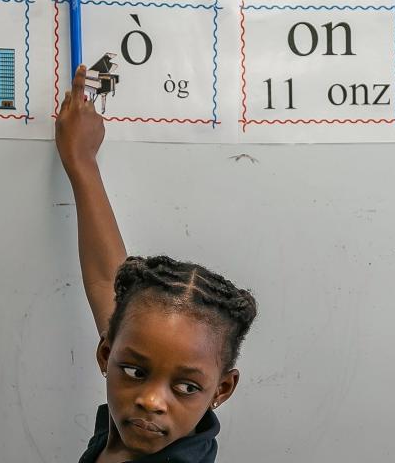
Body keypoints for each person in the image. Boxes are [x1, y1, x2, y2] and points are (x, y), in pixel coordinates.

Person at [56, 66, 257, 463]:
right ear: (106, 355)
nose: (150, 401)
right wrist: (81, 162)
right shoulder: (135, 427)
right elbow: (104, 280)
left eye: (185, 387)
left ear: (221, 389)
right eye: (134, 372)